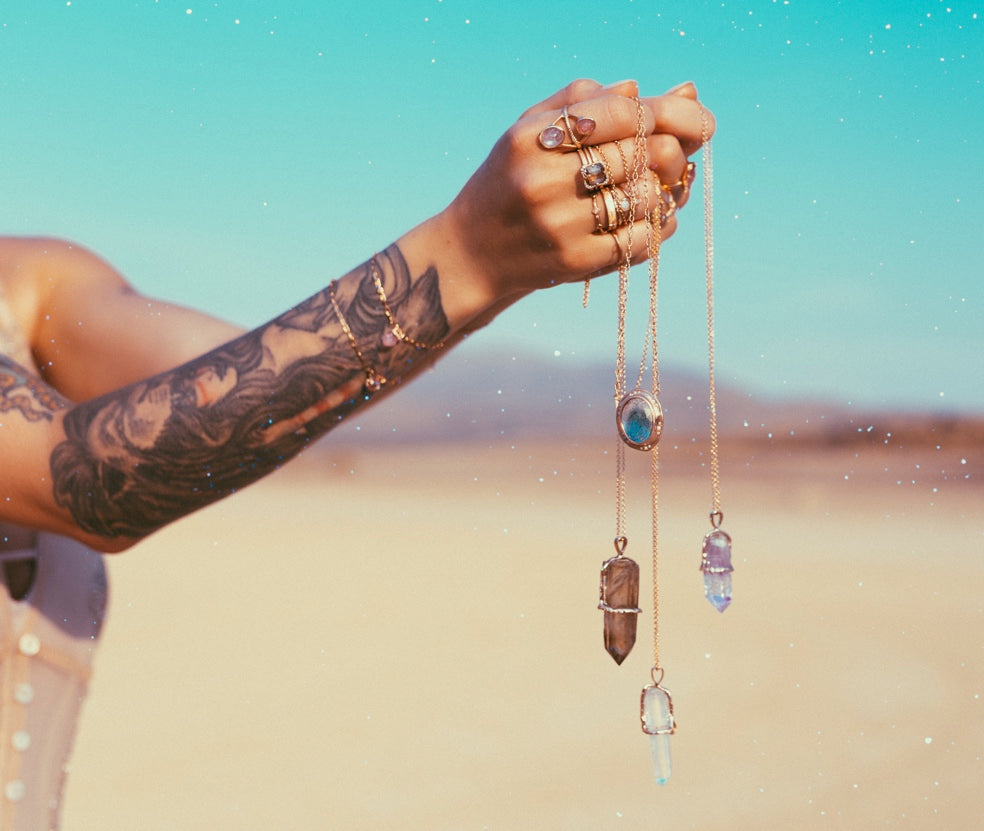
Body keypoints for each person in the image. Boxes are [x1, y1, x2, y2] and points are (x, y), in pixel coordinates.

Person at [0, 78, 714, 827]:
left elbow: (253, 382)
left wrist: (503, 256)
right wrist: (469, 251)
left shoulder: (33, 278)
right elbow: (89, 478)